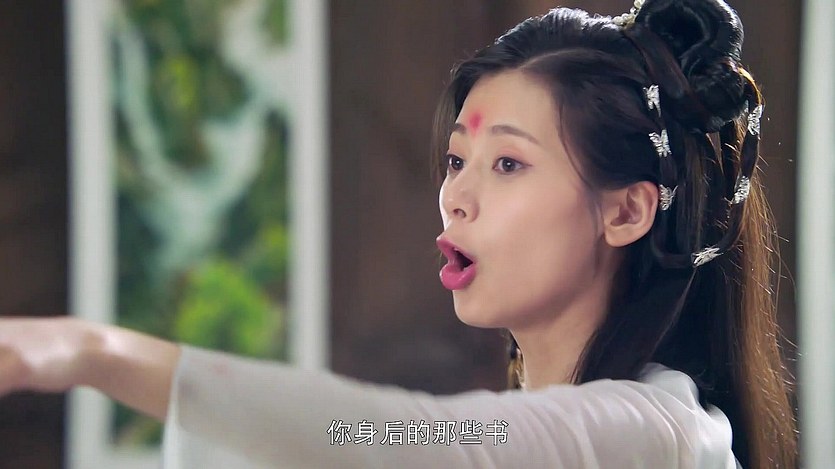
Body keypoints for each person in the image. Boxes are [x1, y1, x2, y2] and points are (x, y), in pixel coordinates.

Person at [0, 0, 798, 467]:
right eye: (455, 160)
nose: (456, 198)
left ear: (625, 210)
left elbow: (398, 437)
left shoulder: (653, 429)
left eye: (508, 164)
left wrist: (94, 351)